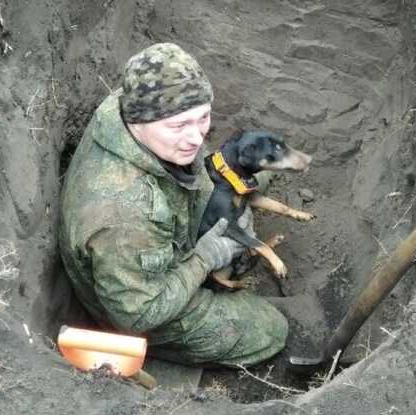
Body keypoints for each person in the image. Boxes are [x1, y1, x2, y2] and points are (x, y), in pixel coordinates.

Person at [59, 43, 288, 366]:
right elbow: (139, 314)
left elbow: (189, 138)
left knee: (246, 175)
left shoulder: (137, 101)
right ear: (139, 123)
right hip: (143, 301)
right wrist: (205, 257)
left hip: (165, 218)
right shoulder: (124, 215)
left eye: (203, 118)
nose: (196, 138)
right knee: (270, 328)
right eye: (179, 126)